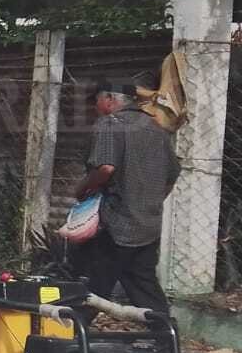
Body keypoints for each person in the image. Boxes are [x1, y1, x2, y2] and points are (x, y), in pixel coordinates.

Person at [73, 77, 181, 314]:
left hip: (116, 224)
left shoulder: (110, 124)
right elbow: (173, 173)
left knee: (94, 283)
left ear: (110, 99)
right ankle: (165, 337)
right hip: (147, 224)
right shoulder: (156, 128)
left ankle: (70, 335)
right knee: (142, 283)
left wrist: (82, 189)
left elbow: (106, 168)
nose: (95, 107)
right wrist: (150, 200)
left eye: (97, 100)